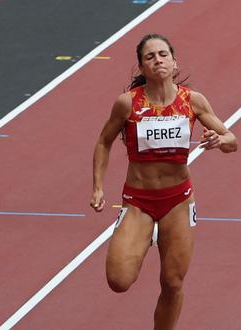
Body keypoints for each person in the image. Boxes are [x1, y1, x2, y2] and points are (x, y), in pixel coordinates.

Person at [90, 33, 237, 329]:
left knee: (172, 282)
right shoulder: (127, 104)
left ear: (174, 61)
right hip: (139, 200)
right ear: (142, 68)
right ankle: (143, 235)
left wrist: (219, 140)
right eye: (149, 56)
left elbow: (232, 139)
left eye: (162, 54)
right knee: (118, 280)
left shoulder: (192, 100)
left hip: (179, 201)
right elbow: (104, 142)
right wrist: (98, 186)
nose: (157, 60)